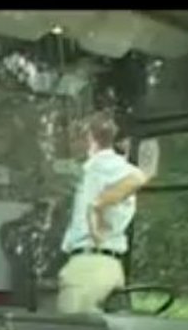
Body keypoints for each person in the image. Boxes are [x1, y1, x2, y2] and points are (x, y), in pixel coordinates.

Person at [57, 112, 151, 314]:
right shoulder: (91, 170)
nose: (71, 144)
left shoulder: (104, 163)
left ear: (89, 137)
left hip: (90, 266)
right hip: (104, 264)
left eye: (74, 137)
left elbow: (137, 178)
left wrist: (98, 205)